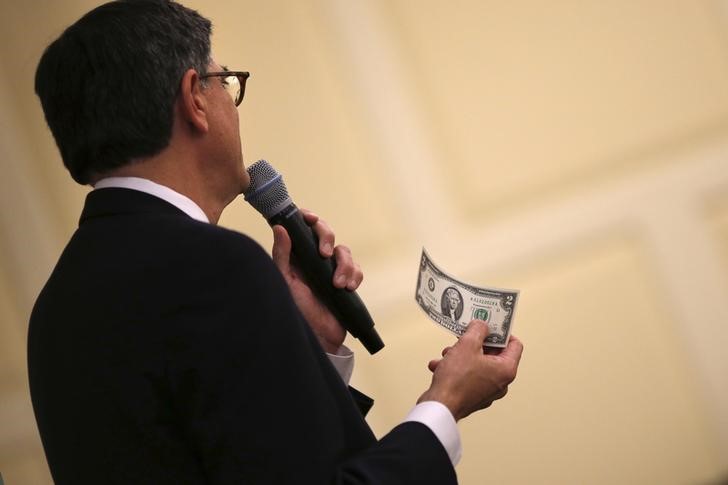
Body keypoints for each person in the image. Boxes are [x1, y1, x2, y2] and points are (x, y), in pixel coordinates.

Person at [28, 1, 524, 483]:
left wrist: (309, 345)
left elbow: (241, 452)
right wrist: (444, 405)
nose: (232, 103)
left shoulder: (54, 310)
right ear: (194, 99)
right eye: (225, 82)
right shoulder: (216, 266)